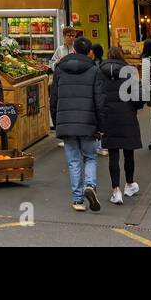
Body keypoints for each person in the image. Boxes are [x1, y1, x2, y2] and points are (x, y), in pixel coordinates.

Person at [50, 36, 101, 211]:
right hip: (88, 121)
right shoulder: (94, 70)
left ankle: (78, 200)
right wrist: (100, 125)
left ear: (73, 50)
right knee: (90, 157)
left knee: (73, 161)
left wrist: (57, 122)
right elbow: (99, 99)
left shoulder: (60, 69)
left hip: (66, 121)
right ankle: (90, 185)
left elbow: (53, 98)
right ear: (90, 52)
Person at [94, 46, 143, 205]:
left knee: (113, 154)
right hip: (127, 115)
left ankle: (116, 190)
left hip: (108, 116)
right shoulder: (129, 71)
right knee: (129, 153)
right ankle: (129, 184)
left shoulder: (99, 71)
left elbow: (97, 95)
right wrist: (135, 107)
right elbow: (138, 96)